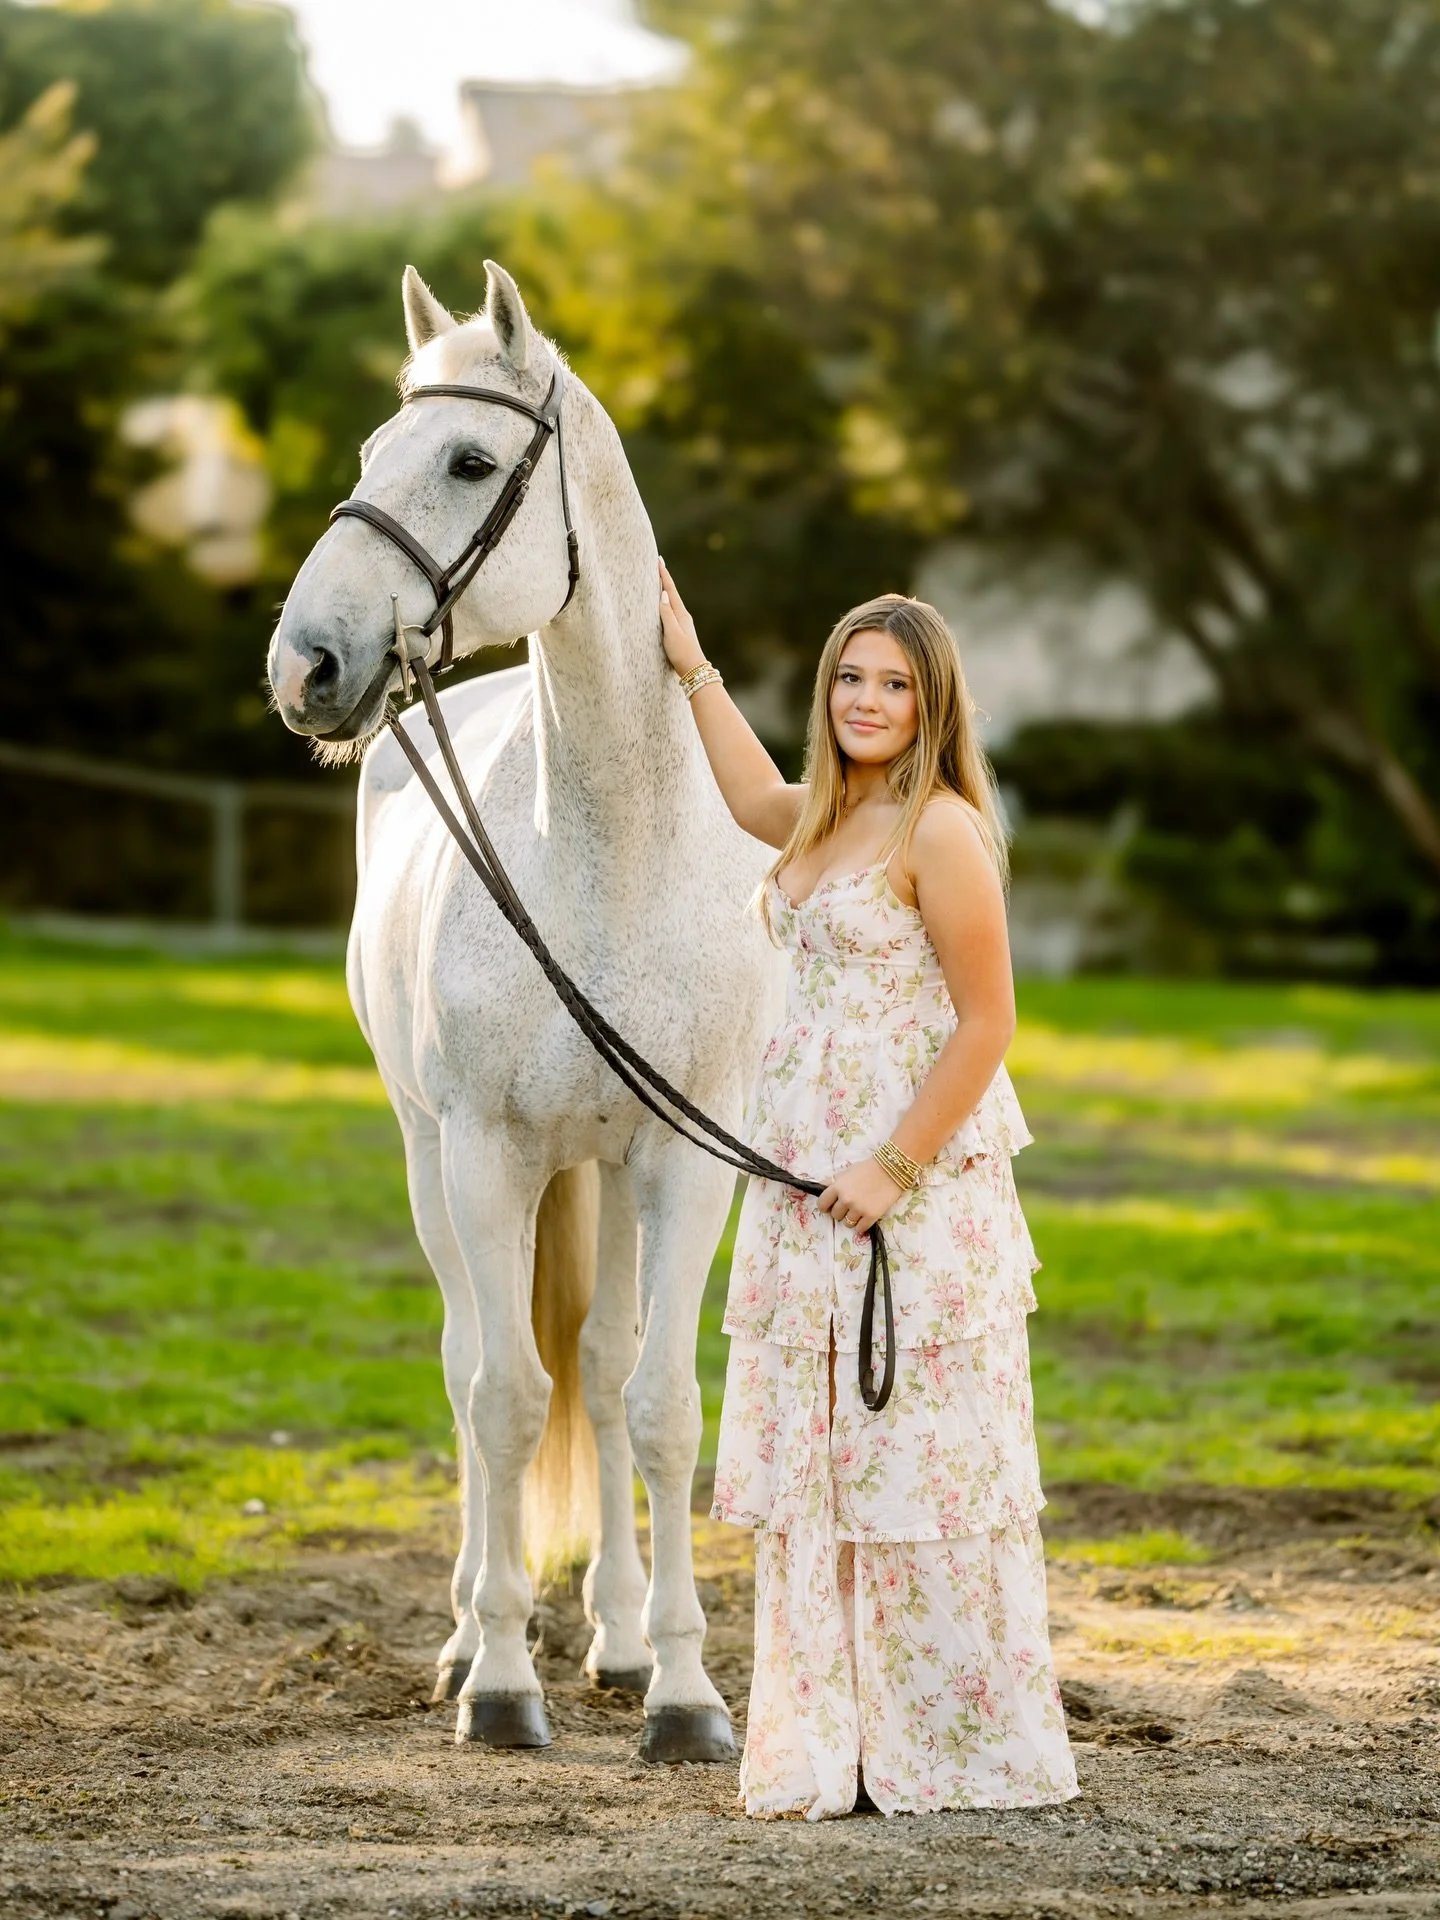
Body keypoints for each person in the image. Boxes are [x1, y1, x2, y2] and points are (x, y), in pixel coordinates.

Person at [657, 560, 1078, 1821]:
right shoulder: (822, 818)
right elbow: (744, 793)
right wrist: (688, 658)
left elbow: (990, 1021)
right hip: (805, 1187)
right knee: (825, 1466)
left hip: (905, 1192)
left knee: (915, 1464)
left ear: (932, 701)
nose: (867, 698)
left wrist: (892, 1169)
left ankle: (949, 1742)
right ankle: (832, 1741)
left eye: (894, 683)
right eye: (850, 676)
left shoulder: (938, 828)